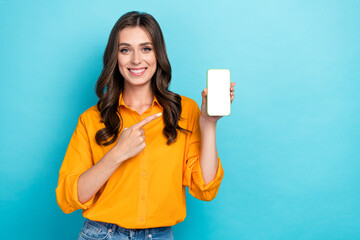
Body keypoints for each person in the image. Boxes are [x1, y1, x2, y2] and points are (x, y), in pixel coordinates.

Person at [56, 11, 236, 240]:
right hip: (102, 234)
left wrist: (209, 124)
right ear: (115, 57)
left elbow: (205, 189)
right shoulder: (91, 119)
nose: (136, 60)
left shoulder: (185, 110)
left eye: (146, 48)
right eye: (125, 50)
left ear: (158, 54)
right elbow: (68, 198)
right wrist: (117, 154)